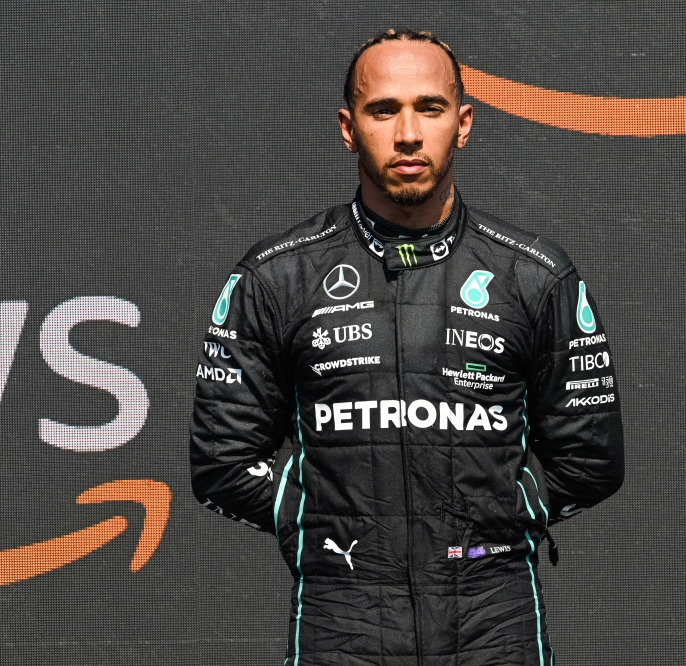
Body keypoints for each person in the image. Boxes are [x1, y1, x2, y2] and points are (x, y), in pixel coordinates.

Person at [190, 28, 624, 666]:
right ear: (348, 127)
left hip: (493, 619)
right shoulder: (276, 277)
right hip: (343, 621)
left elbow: (591, 459)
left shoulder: (535, 276)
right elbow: (223, 462)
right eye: (383, 110)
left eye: (430, 107)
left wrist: (500, 518)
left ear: (464, 122)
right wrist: (320, 519)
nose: (409, 134)